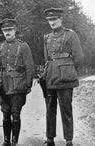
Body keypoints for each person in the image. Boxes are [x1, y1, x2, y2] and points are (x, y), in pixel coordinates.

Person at [42, 8, 84, 146]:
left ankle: (69, 140)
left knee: (66, 109)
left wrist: (68, 70)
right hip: (51, 77)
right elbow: (47, 58)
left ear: (61, 19)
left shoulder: (71, 35)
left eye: (54, 19)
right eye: (49, 20)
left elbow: (78, 57)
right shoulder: (46, 37)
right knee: (50, 109)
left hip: (65, 78)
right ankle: (50, 138)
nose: (52, 22)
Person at [0, 18, 34, 146]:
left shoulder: (23, 46)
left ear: (15, 30)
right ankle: (6, 141)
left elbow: (29, 66)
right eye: (5, 30)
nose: (7, 32)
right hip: (3, 85)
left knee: (16, 113)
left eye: (9, 30)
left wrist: (28, 84)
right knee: (5, 113)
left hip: (18, 84)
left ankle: (14, 141)